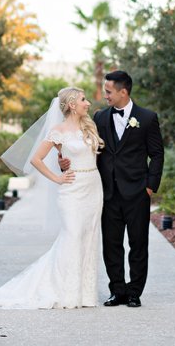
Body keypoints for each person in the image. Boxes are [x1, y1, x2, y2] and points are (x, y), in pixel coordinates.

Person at [0, 87, 104, 309]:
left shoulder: (88, 127)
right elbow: (36, 159)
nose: (88, 103)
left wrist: (64, 159)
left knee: (89, 238)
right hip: (71, 190)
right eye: (83, 99)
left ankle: (85, 295)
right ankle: (66, 293)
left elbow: (80, 155)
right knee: (71, 236)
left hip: (93, 188)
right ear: (71, 104)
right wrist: (58, 178)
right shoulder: (57, 131)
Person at [60, 70, 164, 308]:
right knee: (111, 243)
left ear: (123, 91)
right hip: (106, 193)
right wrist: (64, 161)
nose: (105, 95)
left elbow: (157, 154)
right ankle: (117, 290)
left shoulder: (147, 118)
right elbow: (85, 147)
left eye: (108, 91)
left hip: (137, 192)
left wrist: (150, 186)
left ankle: (135, 291)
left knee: (138, 243)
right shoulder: (100, 117)